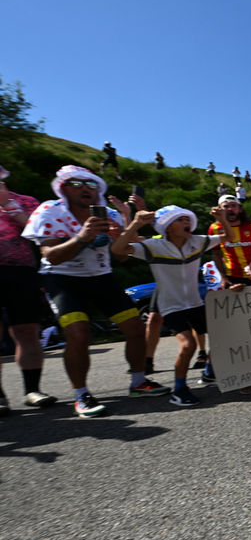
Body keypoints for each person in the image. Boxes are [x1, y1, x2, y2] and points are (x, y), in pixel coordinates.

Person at [22, 165, 170, 418]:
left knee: (135, 327)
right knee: (78, 334)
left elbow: (121, 258)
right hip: (62, 279)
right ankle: (81, 395)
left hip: (101, 277)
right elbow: (50, 256)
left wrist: (124, 232)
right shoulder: (49, 210)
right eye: (77, 184)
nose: (86, 190)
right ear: (63, 188)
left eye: (91, 185)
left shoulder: (108, 214)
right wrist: (82, 237)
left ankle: (138, 382)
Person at [112, 205, 236, 404]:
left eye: (188, 219)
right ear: (167, 227)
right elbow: (117, 249)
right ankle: (179, 389)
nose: (187, 223)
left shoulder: (197, 241)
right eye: (180, 220)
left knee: (223, 335)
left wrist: (222, 219)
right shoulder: (154, 246)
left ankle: (209, 372)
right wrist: (136, 223)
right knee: (189, 345)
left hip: (195, 303)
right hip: (171, 307)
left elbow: (229, 237)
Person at [0, 164, 56, 414]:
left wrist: (12, 208)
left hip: (21, 272)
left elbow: (41, 235)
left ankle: (32, 390)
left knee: (27, 331)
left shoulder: (26, 201)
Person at [208, 194, 251, 288]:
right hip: (231, 276)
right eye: (226, 206)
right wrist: (223, 277)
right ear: (220, 209)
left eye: (233, 205)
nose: (230, 209)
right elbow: (216, 254)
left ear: (240, 209)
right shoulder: (214, 229)